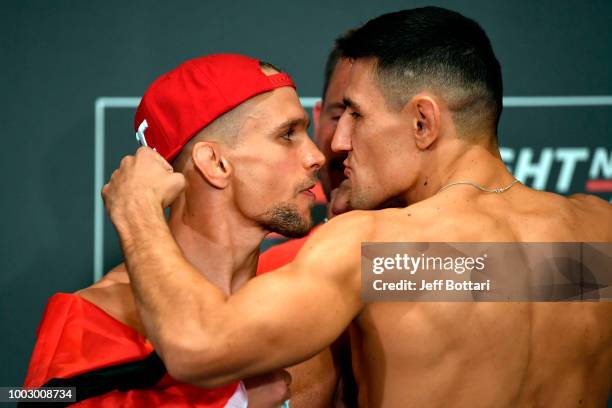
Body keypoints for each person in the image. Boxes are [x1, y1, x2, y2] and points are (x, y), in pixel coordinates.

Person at [102, 7, 612, 408]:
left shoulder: (378, 252)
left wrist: (137, 211)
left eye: (356, 115)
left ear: (423, 123)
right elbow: (491, 276)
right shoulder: (598, 232)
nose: (337, 142)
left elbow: (197, 348)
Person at [24, 54, 326, 407]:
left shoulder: (306, 297)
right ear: (214, 163)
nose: (316, 155)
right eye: (287, 134)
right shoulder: (94, 320)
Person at [255, 34, 355, 408]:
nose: (344, 140)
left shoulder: (472, 263)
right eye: (339, 114)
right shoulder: (265, 273)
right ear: (317, 117)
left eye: (363, 116)